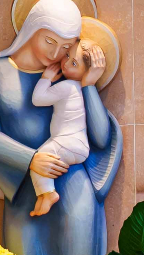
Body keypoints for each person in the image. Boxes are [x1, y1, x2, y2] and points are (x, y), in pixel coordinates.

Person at [0, 0, 121, 255]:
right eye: (49, 41)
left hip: (75, 195)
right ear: (32, 29)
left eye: (66, 47)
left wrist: (89, 84)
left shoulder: (69, 74)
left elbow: (102, 139)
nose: (56, 54)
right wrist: (31, 159)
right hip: (25, 197)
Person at [28, 39, 106, 217]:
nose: (66, 63)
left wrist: (46, 78)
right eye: (68, 55)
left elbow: (37, 99)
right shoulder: (82, 89)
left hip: (69, 143)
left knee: (40, 159)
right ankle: (43, 196)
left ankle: (49, 194)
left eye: (74, 63)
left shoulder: (68, 86)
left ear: (86, 71)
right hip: (76, 145)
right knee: (40, 160)